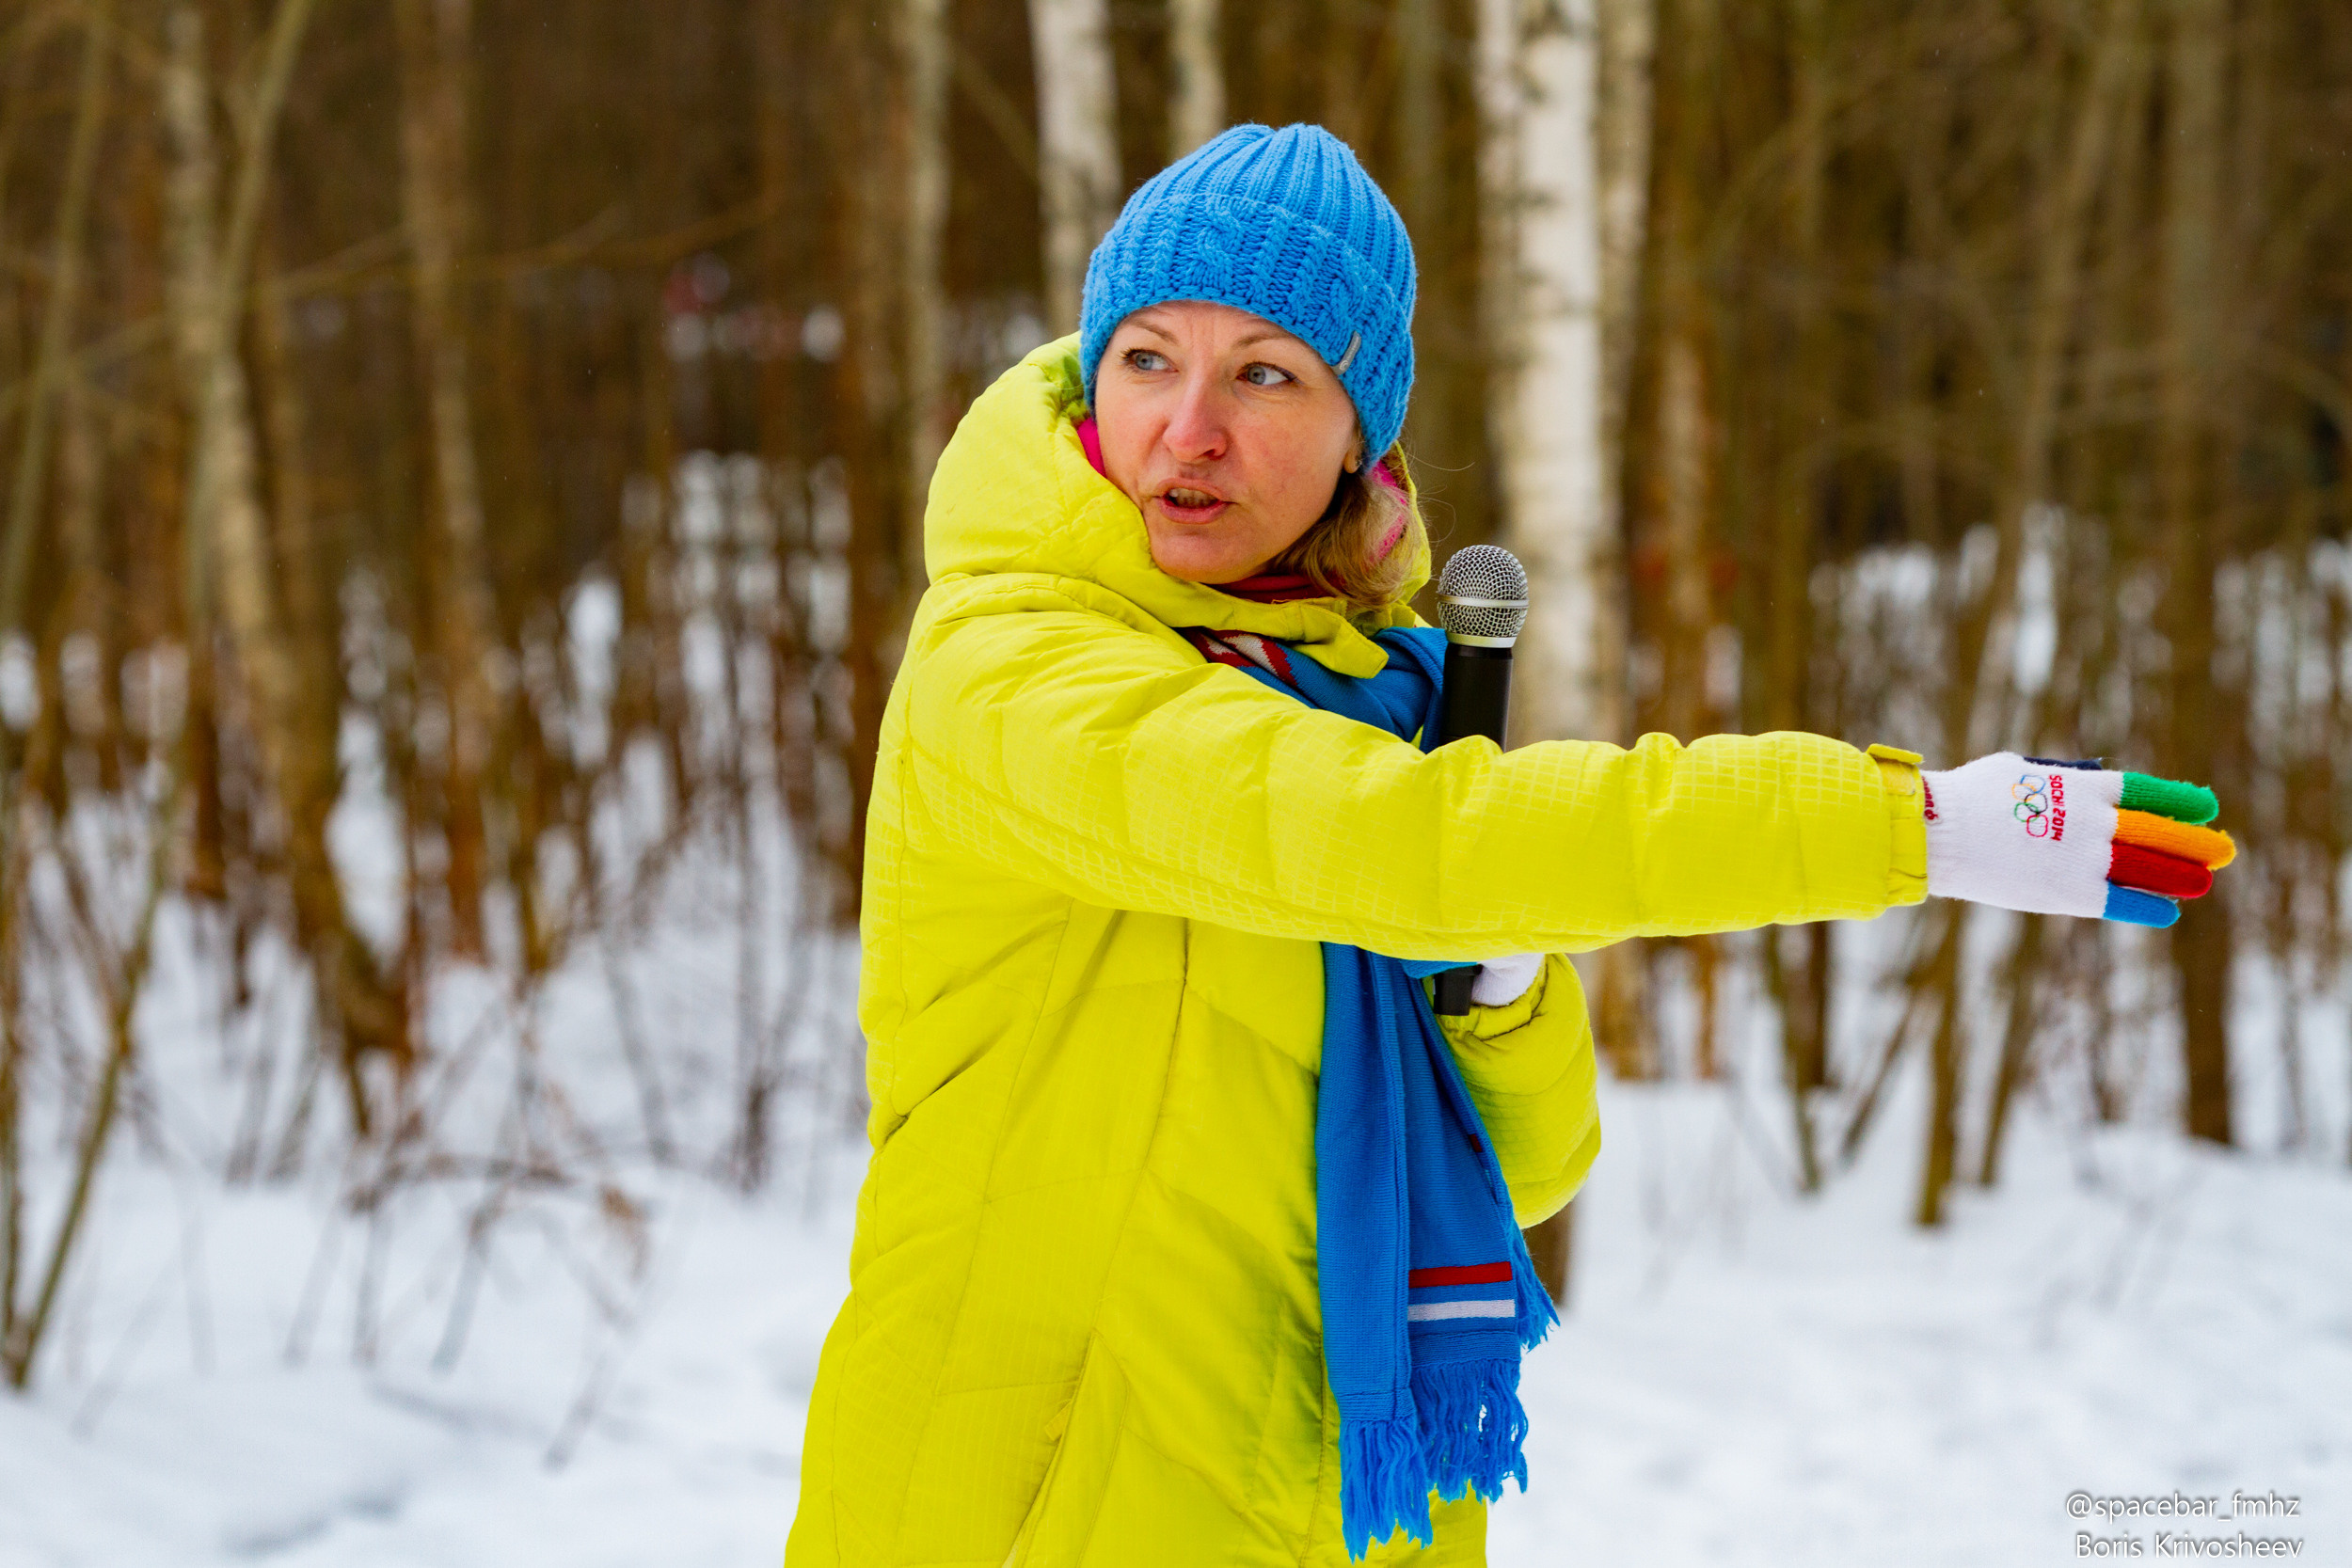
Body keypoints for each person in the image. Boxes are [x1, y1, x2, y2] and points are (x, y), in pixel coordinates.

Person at [783, 124, 2234, 1567]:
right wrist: (1909, 823)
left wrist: (1499, 976)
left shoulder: (1374, 690)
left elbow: (1526, 1171)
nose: (1190, 428)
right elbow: (1393, 846)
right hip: (1034, 1510)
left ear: (1364, 435)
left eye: (1266, 373)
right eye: (1148, 357)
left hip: (1343, 1496)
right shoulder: (1011, 666)